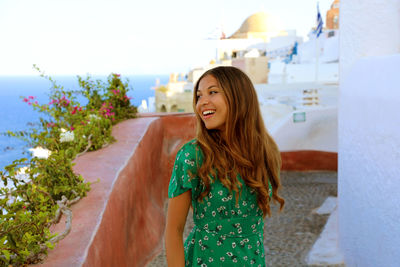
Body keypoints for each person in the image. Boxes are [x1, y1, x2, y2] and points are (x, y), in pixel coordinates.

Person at [165, 66, 284, 267]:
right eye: (199, 95)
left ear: (239, 97)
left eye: (213, 92)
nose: (202, 102)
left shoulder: (264, 150)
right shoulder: (192, 156)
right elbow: (173, 230)